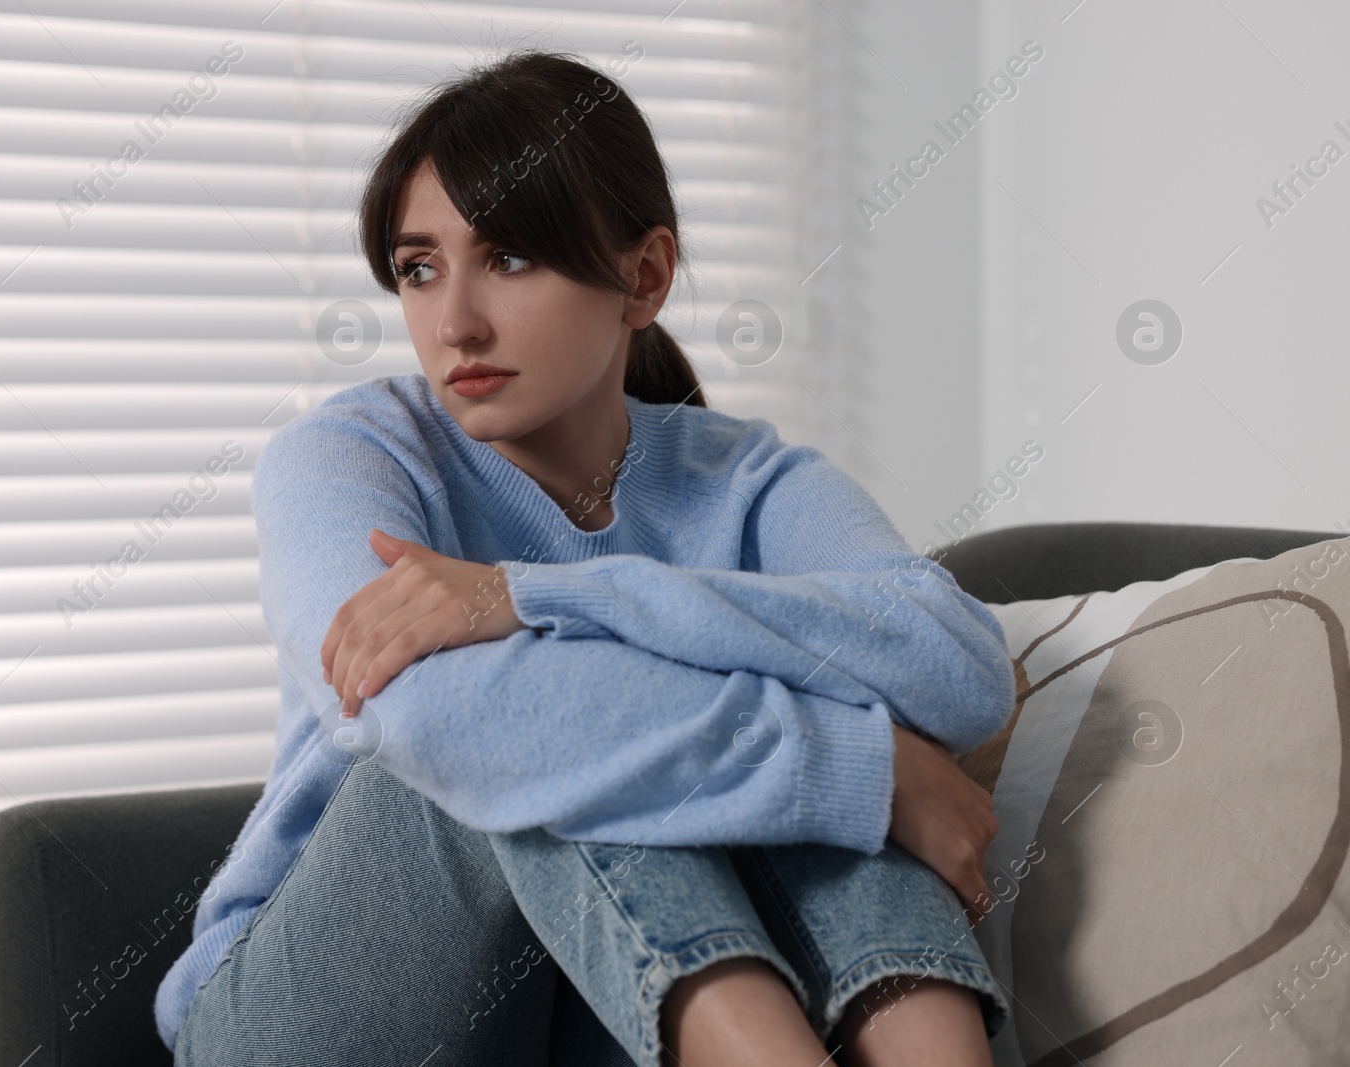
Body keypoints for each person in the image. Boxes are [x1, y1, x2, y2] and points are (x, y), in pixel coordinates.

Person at [157, 50, 1016, 1066]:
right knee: (522, 744)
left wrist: (533, 595)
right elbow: (435, 715)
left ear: (642, 277)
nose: (453, 321)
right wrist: (861, 770)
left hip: (591, 1014)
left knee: (662, 728)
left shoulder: (746, 478)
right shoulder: (345, 457)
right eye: (418, 266)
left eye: (509, 258)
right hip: (305, 1020)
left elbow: (957, 664)